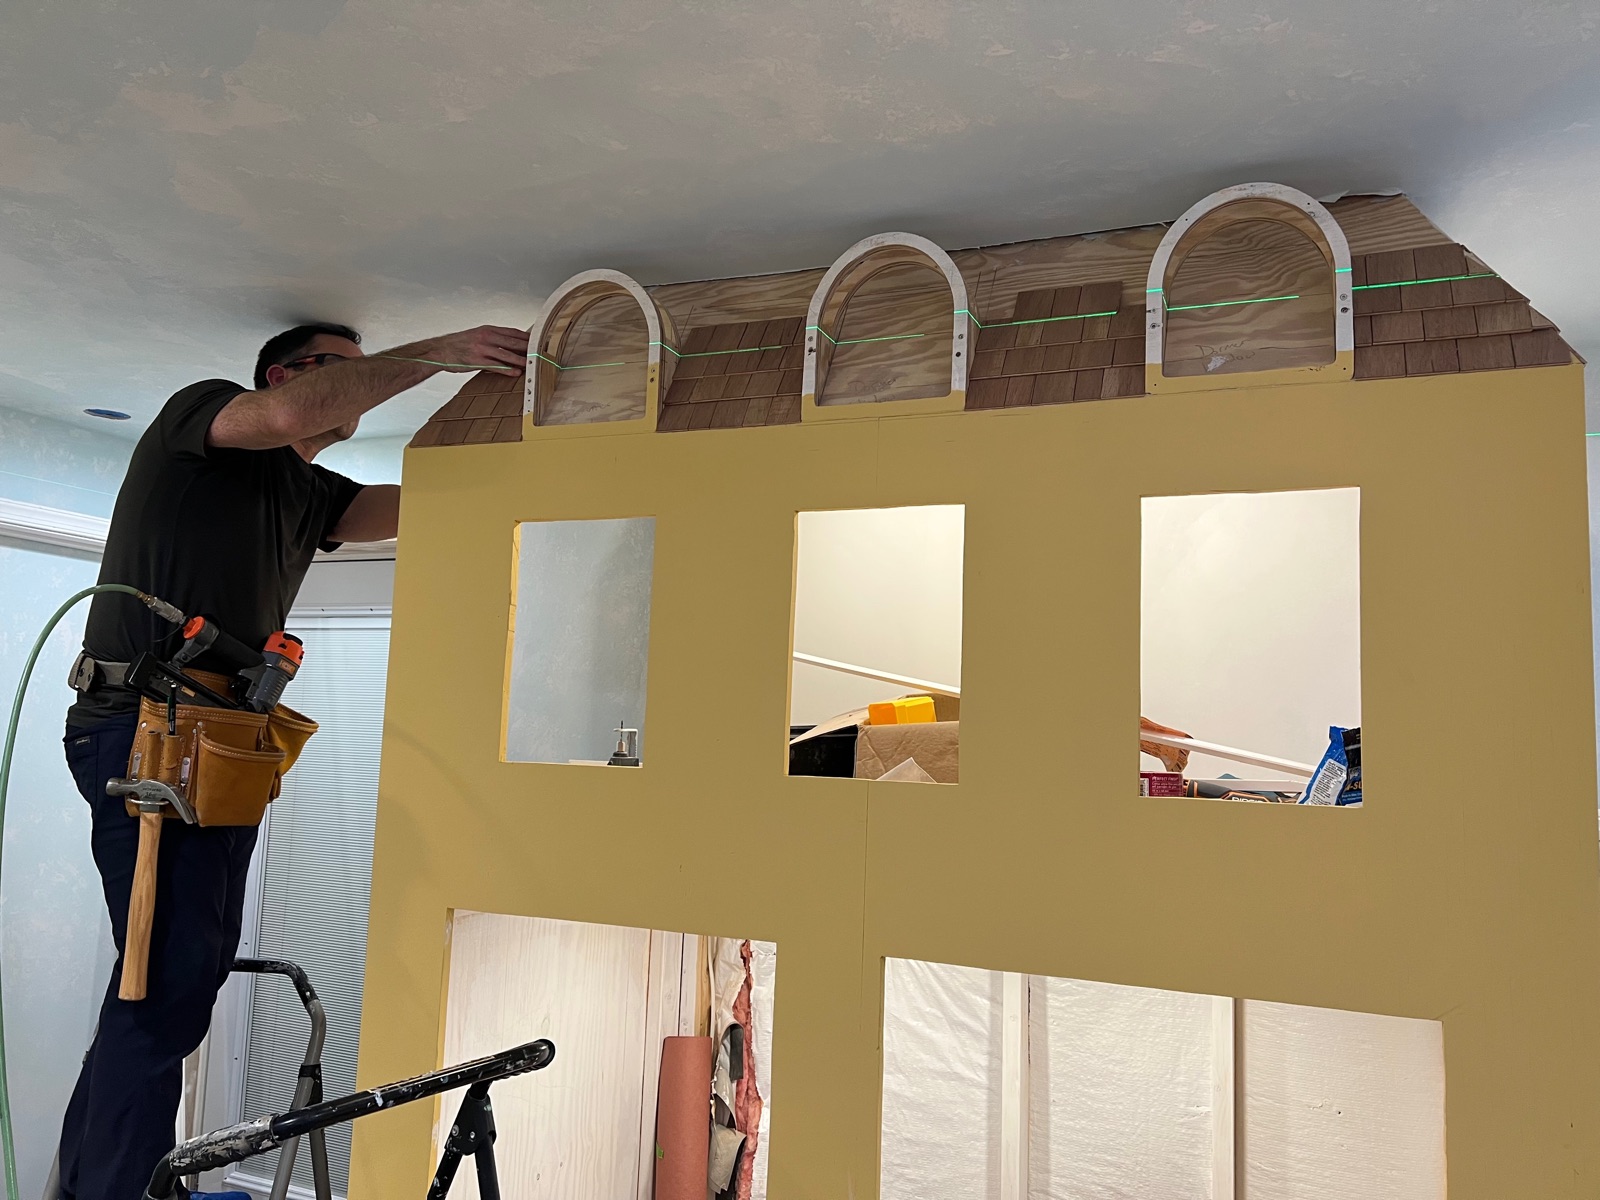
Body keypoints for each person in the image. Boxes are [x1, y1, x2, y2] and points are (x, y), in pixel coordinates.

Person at [55, 320, 529, 1200]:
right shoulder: (200, 420)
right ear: (282, 374)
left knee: (170, 980)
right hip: (147, 731)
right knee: (162, 987)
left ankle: (96, 1181)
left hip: (218, 747)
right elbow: (285, 417)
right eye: (342, 368)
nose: (360, 385)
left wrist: (543, 443)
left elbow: (434, 498)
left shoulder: (312, 494)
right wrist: (441, 352)